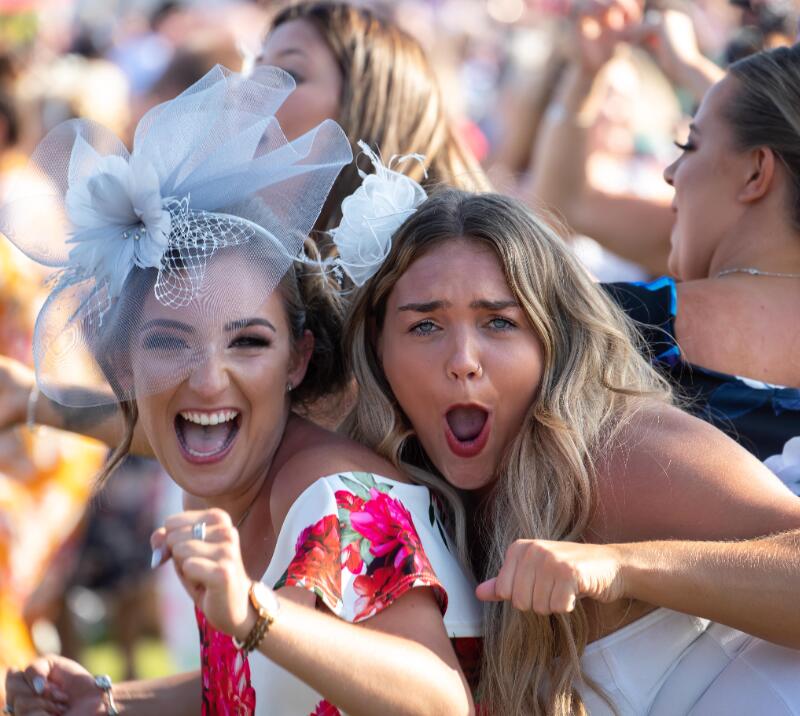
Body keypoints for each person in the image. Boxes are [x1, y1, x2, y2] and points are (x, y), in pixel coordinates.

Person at [2, 65, 477, 716]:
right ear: (125, 360)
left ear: (297, 360)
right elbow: (254, 684)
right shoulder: (234, 486)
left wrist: (253, 612)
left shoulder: (336, 496)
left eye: (248, 342)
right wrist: (108, 700)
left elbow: (441, 701)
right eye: (169, 341)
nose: (206, 379)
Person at [340, 186, 800, 715]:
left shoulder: (618, 451)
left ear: (553, 340)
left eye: (499, 322)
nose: (463, 360)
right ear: (378, 348)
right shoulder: (380, 485)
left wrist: (619, 567)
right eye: (425, 325)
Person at [0, 0, 490, 438]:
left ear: (370, 107)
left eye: (291, 75)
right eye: (255, 70)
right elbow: (210, 416)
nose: (252, 92)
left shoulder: (433, 269)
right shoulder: (254, 251)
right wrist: (33, 399)